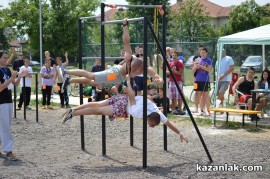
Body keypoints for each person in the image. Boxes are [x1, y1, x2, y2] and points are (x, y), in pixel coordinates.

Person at [61, 74, 188, 143]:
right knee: (98, 110)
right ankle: (73, 113)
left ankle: (74, 109)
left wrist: (180, 134)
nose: (152, 126)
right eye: (152, 124)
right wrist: (127, 82)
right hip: (122, 105)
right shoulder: (139, 112)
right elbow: (131, 96)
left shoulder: (156, 112)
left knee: (98, 104)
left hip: (121, 98)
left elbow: (169, 124)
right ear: (150, 119)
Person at [61, 18, 163, 91]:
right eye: (139, 52)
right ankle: (66, 71)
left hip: (118, 78)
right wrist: (125, 25)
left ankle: (70, 80)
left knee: (95, 82)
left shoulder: (146, 67)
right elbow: (126, 41)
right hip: (115, 73)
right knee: (91, 75)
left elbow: (158, 77)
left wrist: (159, 81)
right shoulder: (130, 58)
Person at [0, 50, 28, 161]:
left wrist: (20, 76)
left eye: (6, 58)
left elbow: (14, 84)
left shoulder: (6, 69)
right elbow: (1, 88)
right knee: (5, 127)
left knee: (5, 126)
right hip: (1, 102)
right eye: (4, 58)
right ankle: (8, 151)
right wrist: (12, 78)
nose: (6, 60)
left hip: (8, 100)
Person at [192, 47, 212, 116]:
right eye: (201, 52)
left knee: (206, 95)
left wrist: (200, 66)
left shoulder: (208, 60)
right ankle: (198, 109)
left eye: (204, 52)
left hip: (205, 80)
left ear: (206, 53)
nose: (202, 54)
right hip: (197, 80)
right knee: (197, 94)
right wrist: (195, 67)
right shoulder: (197, 60)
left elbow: (209, 69)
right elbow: (193, 71)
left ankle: (208, 110)